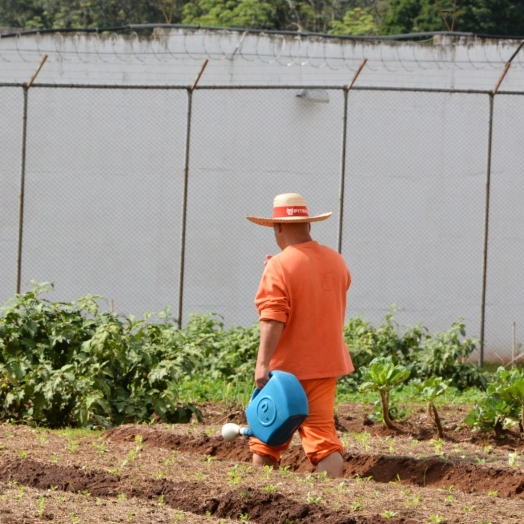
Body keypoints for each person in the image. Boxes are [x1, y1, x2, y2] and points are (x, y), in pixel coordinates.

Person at [245, 192, 354, 478]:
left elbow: (273, 317)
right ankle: (331, 505)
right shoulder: (337, 261)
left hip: (285, 373)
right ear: (308, 224)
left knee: (267, 440)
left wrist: (262, 364)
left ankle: (261, 499)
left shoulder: (278, 266)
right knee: (323, 441)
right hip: (325, 366)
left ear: (277, 227)